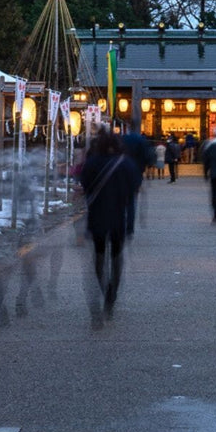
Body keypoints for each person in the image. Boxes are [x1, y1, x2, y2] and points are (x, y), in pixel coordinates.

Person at [78, 131, 141, 324]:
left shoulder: (92, 163)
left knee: (98, 255)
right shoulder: (126, 164)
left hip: (97, 216)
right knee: (116, 256)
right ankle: (112, 293)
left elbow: (84, 184)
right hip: (118, 217)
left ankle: (104, 287)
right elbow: (133, 190)